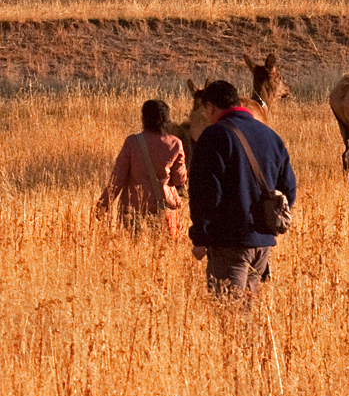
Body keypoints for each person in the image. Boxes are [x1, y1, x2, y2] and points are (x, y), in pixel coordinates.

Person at [188, 80, 296, 297]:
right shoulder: (271, 136)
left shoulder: (213, 136)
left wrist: (200, 237)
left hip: (229, 241)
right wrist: (267, 219)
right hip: (263, 244)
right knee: (247, 313)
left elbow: (206, 193)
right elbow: (289, 189)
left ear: (211, 107)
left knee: (227, 313)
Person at [96, 100, 187, 233]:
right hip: (163, 207)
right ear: (167, 119)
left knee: (134, 248)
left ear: (144, 118)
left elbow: (118, 178)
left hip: (133, 208)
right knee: (161, 249)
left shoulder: (132, 142)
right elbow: (180, 179)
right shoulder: (176, 143)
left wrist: (104, 204)